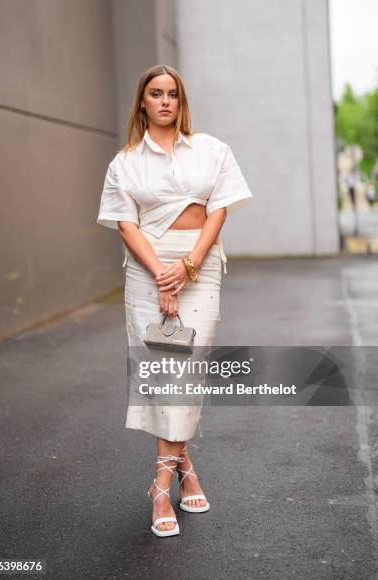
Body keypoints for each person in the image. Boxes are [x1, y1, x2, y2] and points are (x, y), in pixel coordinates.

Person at [97, 64, 253, 538]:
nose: (165, 101)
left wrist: (186, 267)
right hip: (147, 269)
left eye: (172, 94)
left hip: (199, 267)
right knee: (163, 372)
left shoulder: (211, 150)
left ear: (180, 101)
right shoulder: (125, 162)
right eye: (155, 94)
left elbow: (219, 208)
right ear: (142, 102)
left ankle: (161, 482)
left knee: (185, 370)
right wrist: (161, 276)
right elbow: (126, 223)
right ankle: (185, 471)